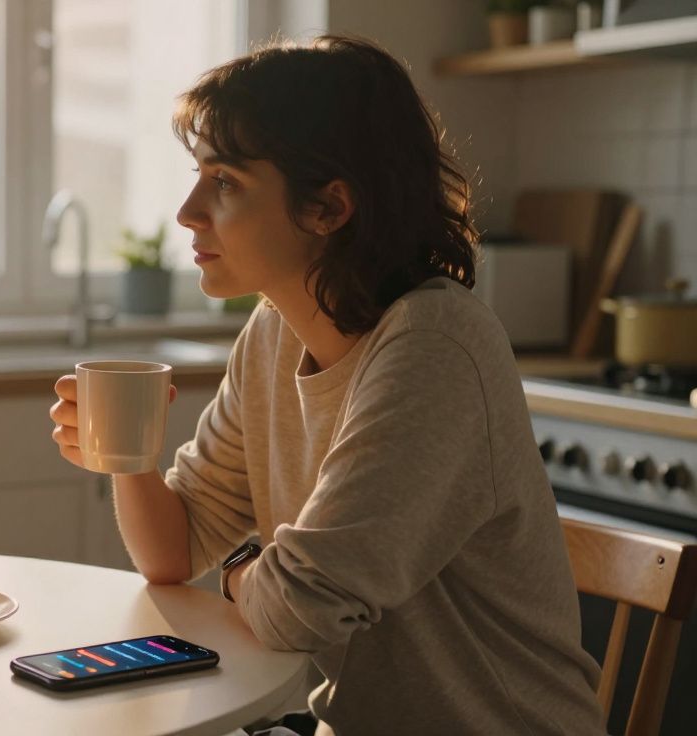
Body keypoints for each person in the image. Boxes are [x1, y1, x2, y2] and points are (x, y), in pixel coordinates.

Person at [49, 35, 605, 735]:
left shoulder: (435, 347)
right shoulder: (275, 330)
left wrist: (244, 567)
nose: (188, 211)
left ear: (329, 208)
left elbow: (297, 610)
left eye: (225, 183)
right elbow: (175, 549)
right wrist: (127, 458)